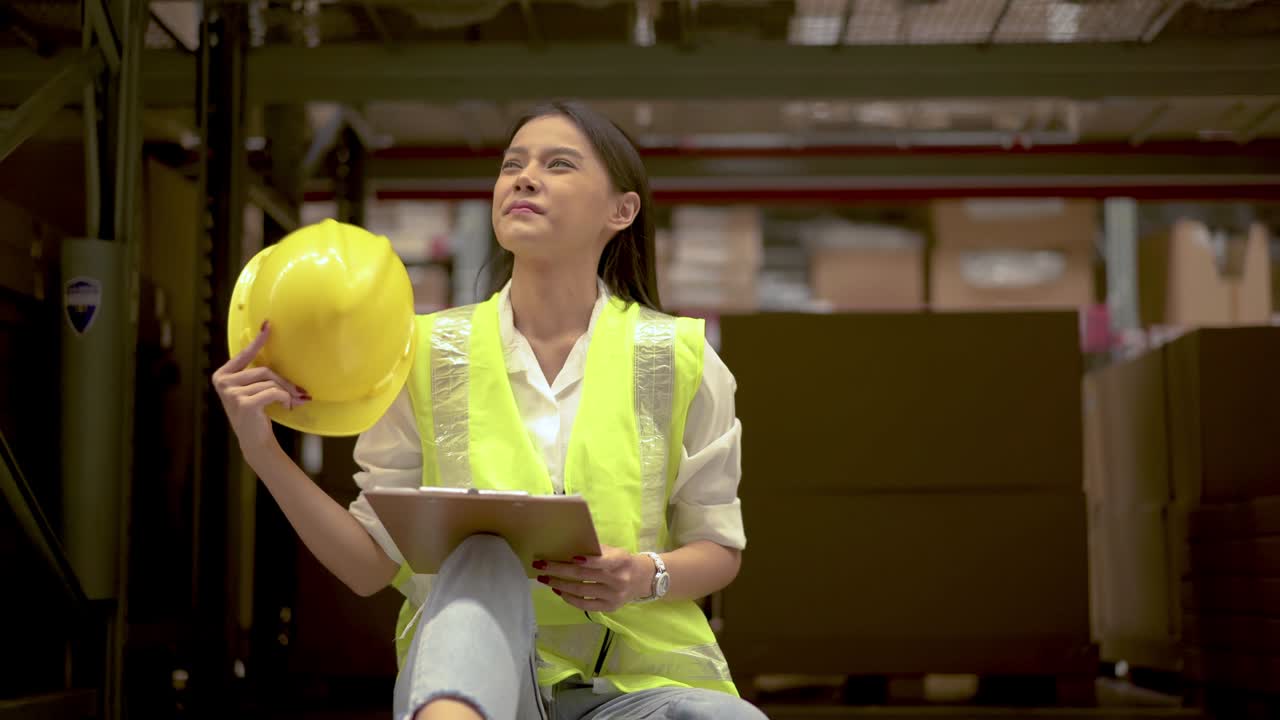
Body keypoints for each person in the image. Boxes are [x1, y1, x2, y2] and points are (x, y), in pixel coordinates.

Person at [213, 100, 763, 720]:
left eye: (558, 164)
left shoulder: (681, 358)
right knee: (482, 554)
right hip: (478, 690)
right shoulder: (418, 355)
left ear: (621, 211)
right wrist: (263, 451)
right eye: (512, 165)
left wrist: (643, 575)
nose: (524, 178)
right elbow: (369, 566)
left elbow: (717, 548)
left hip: (640, 692)